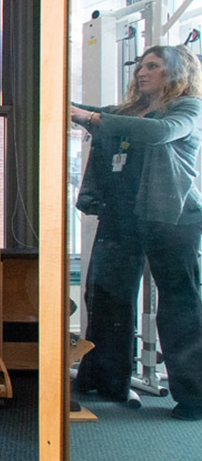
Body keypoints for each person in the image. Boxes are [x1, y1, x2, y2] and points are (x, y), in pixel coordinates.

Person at [71, 44, 202, 421]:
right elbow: (91, 115)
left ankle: (194, 397)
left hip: (172, 220)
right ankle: (107, 380)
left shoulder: (188, 108)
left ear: (175, 72)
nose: (142, 72)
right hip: (122, 217)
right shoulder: (128, 111)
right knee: (107, 299)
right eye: (141, 66)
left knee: (179, 307)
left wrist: (90, 116)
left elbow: (161, 133)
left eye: (153, 66)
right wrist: (71, 108)